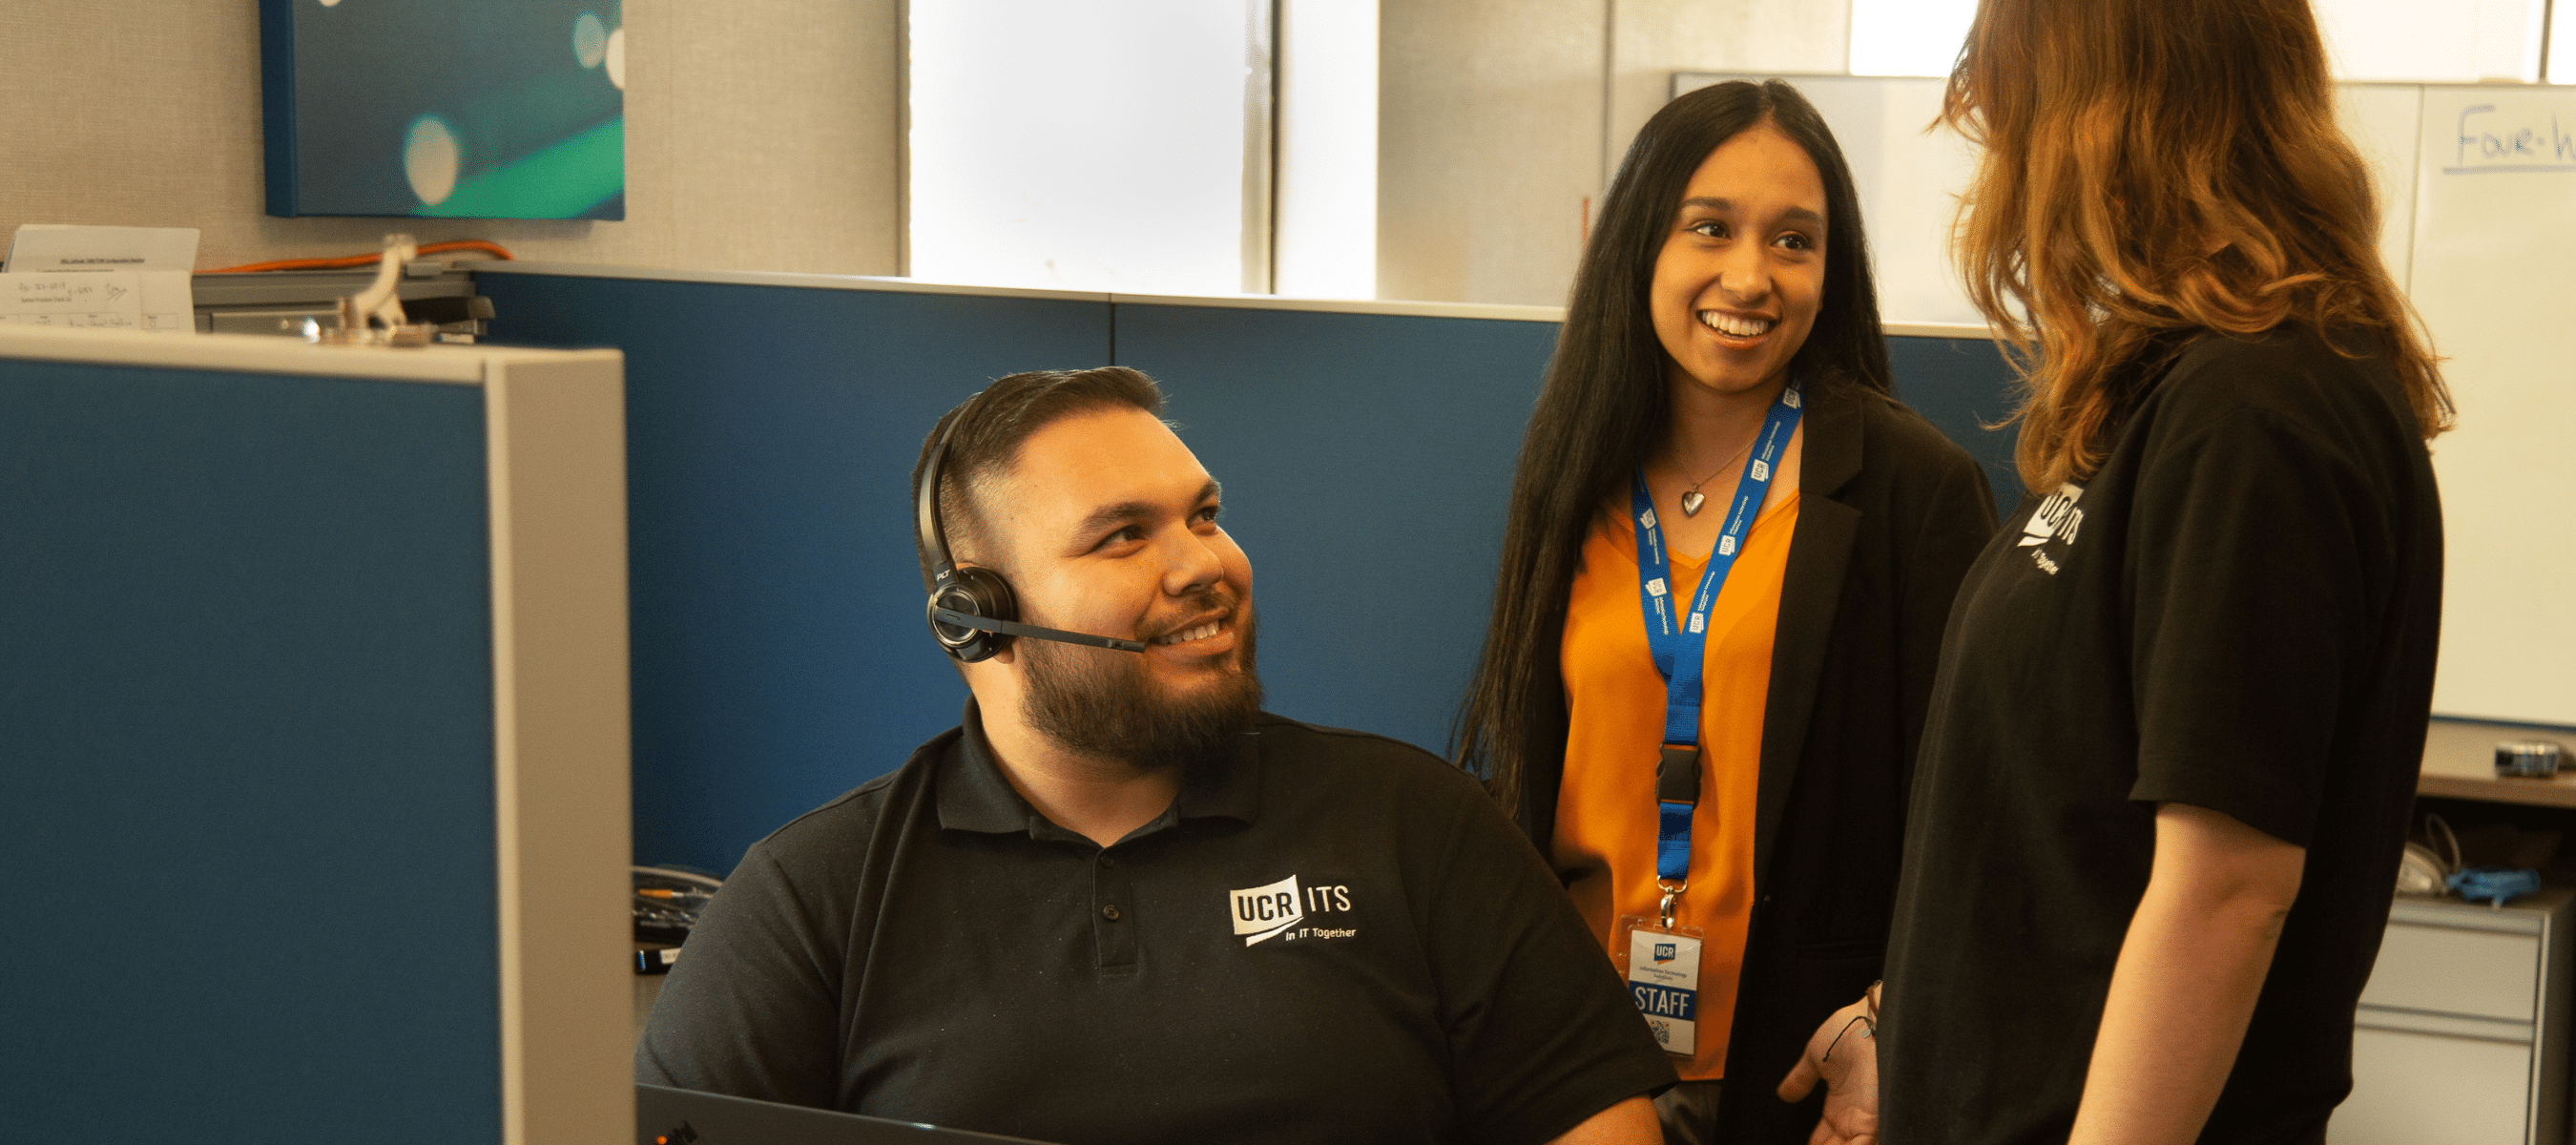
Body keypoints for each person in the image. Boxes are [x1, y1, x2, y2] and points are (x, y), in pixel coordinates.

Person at [636, 366, 1678, 1145]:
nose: (1205, 566)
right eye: (1124, 536)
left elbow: (1597, 1123)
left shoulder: (1412, 822)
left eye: (1205, 516)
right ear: (976, 615)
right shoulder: (815, 900)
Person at [1779, 1, 2453, 1142]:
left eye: (2013, 123)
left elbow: (2226, 890)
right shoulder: (2174, 395)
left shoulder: (2262, 411)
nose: (2000, 175)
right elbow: (2064, 831)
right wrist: (1918, 1035)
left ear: (2103, 125)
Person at [1452, 80, 1997, 1144]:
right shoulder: (1573, 475)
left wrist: (1891, 1027)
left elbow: (1976, 812)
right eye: (1710, 229)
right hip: (1573, 1061)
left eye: (1794, 241)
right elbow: (1530, 773)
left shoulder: (1906, 488)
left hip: (1806, 1071)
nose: (1750, 276)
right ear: (1640, 248)